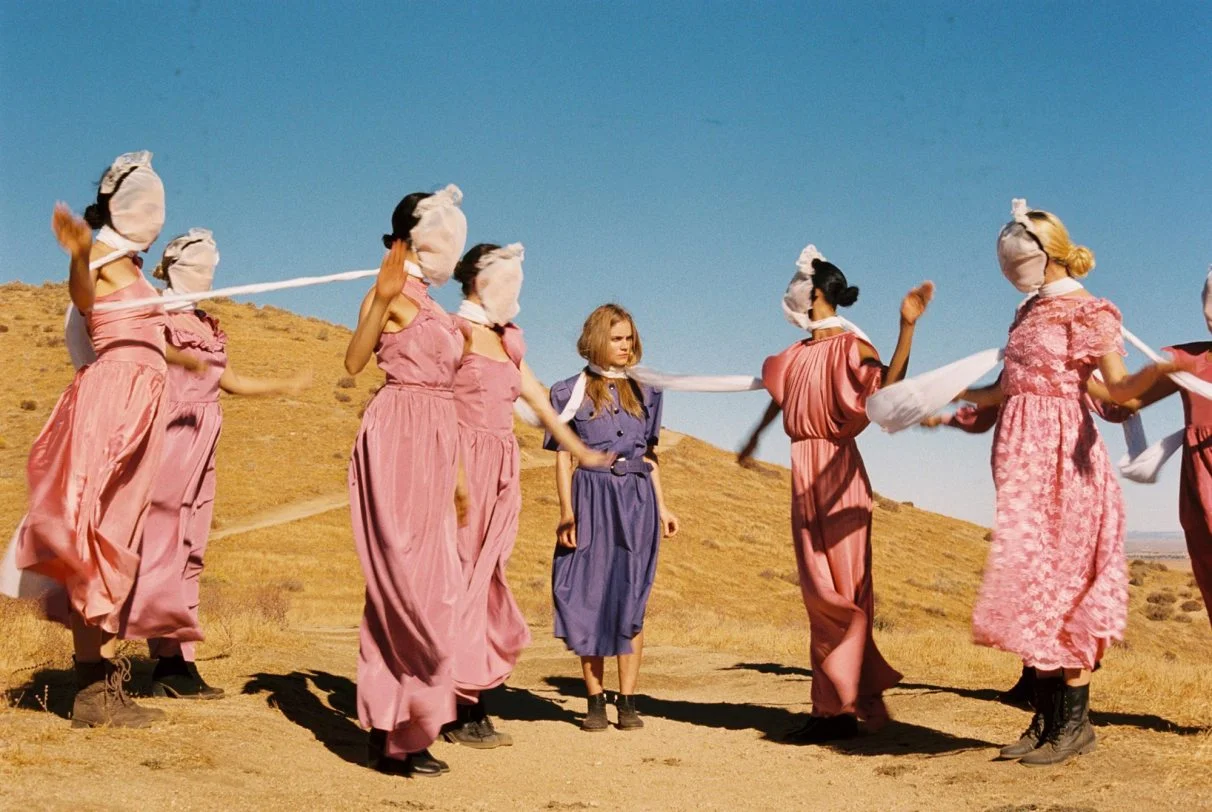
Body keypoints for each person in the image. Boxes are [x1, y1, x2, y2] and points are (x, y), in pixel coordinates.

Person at [953, 203, 1193, 766]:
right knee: (1033, 582)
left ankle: (1074, 725)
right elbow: (1004, 390)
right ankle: (1044, 720)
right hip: (1019, 461)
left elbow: (1118, 390)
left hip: (1066, 460)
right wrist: (939, 393)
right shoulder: (1026, 313)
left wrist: (1158, 372)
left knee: (1064, 582)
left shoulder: (1089, 310)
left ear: (1048, 254)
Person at [17, 152, 204, 727]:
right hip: (113, 403)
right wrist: (78, 254)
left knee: (120, 535)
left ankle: (97, 680)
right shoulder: (99, 254)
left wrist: (180, 359)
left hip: (143, 403)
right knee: (98, 533)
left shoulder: (136, 269)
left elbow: (139, 332)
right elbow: (84, 301)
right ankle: (92, 689)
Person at [737, 246, 933, 742]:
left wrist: (906, 327)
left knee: (843, 589)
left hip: (839, 471)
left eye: (797, 286)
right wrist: (756, 436)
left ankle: (841, 707)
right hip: (803, 471)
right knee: (816, 593)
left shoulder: (852, 346)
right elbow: (781, 394)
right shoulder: (796, 354)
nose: (790, 293)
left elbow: (887, 386)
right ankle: (836, 706)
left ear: (816, 294)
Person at [119, 229, 312, 699]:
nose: (208, 272)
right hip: (170, 434)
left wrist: (284, 385)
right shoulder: (155, 314)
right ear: (175, 266)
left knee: (191, 546)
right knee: (161, 542)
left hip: (204, 441)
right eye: (199, 263)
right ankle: (158, 656)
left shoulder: (206, 323)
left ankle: (178, 660)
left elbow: (231, 381)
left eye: (212, 264)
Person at [443, 243, 613, 747]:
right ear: (478, 280)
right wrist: (455, 475)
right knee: (459, 580)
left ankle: (468, 696)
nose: (514, 289)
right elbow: (437, 405)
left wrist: (581, 450)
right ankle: (456, 704)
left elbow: (538, 400)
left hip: (501, 469)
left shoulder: (508, 339)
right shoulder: (452, 331)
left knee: (487, 578)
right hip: (459, 467)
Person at [346, 186, 468, 778]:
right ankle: (389, 731)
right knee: (402, 581)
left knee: (437, 582)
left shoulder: (440, 308)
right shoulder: (390, 291)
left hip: (439, 436)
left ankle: (412, 720)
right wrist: (381, 296)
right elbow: (353, 361)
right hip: (400, 432)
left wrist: (460, 477)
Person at [546, 304, 678, 732]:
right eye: (616, 338)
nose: (625, 346)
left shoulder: (647, 390)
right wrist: (567, 512)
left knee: (631, 597)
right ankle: (594, 702)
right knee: (590, 598)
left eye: (629, 338)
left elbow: (650, 455)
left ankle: (628, 702)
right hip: (591, 497)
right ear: (596, 340)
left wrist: (662, 506)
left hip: (637, 500)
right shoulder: (568, 391)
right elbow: (563, 456)